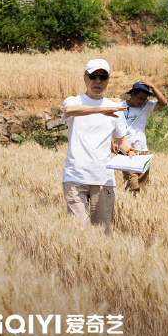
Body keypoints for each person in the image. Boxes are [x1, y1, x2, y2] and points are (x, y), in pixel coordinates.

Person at [62, 59, 136, 234]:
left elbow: (122, 141)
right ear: (85, 78)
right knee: (77, 233)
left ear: (108, 80)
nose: (98, 81)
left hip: (103, 178)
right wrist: (101, 110)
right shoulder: (73, 100)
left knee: (103, 233)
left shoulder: (115, 107)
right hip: (75, 176)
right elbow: (70, 111)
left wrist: (131, 152)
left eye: (102, 77)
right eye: (93, 76)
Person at [110, 81, 168, 194]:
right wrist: (112, 142)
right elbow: (112, 126)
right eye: (140, 98)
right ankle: (129, 205)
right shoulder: (119, 107)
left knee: (143, 183)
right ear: (132, 94)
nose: (142, 102)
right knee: (132, 184)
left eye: (144, 99)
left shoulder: (146, 106)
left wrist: (153, 86)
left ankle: (138, 208)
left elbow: (164, 103)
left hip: (142, 150)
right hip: (126, 150)